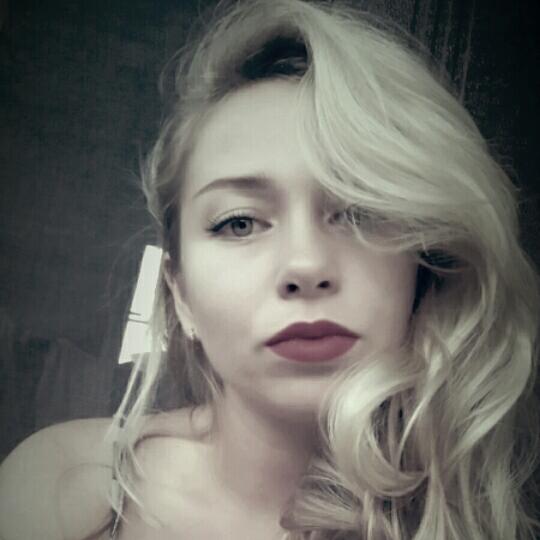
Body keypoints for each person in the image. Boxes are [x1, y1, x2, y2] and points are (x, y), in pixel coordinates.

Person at [1, 0, 539, 538]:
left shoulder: (482, 518)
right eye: (239, 223)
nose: (305, 265)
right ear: (180, 295)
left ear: (422, 267)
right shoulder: (60, 487)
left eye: (359, 212)